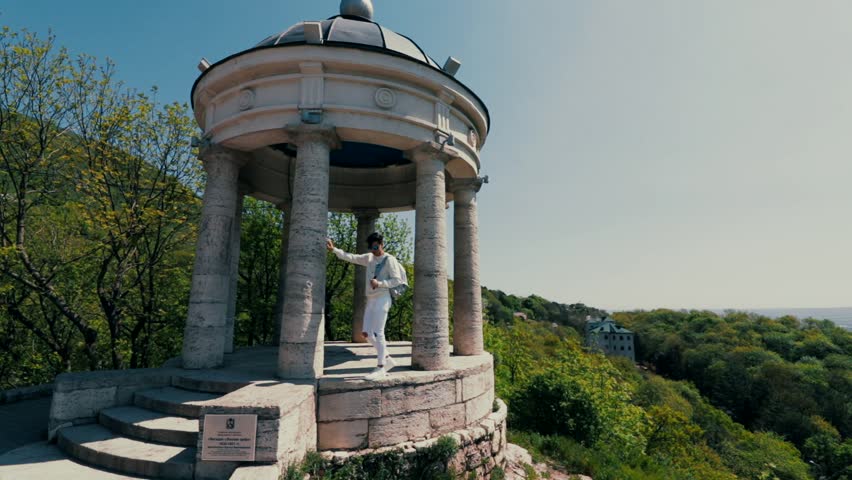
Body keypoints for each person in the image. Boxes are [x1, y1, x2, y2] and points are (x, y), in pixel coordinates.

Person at [327, 232, 408, 380]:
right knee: (366, 333)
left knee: (378, 332)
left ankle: (381, 367)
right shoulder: (369, 258)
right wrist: (334, 250)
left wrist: (380, 283)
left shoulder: (389, 260)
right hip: (371, 299)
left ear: (381, 244)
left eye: (376, 246)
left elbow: (397, 280)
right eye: (372, 247)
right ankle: (387, 358)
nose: (374, 250)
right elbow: (351, 257)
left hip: (383, 298)